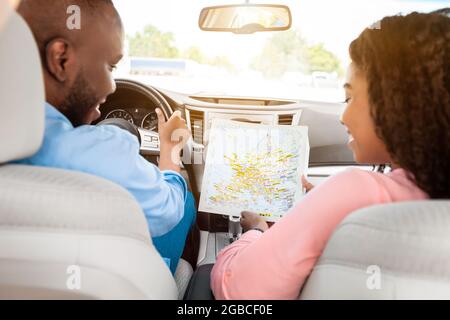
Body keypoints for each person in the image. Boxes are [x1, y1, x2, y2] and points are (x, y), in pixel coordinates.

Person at [211, 11, 450, 299]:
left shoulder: (355, 191)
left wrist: (258, 231)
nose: (343, 115)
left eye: (349, 98)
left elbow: (236, 289)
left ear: (397, 104)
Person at [15, 0, 195, 274]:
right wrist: (170, 152)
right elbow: (168, 211)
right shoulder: (97, 152)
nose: (111, 86)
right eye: (110, 67)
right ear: (61, 59)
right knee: (183, 197)